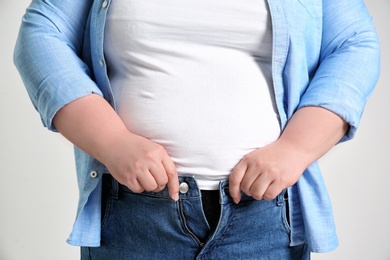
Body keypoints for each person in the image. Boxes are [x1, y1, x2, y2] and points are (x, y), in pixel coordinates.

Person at [14, 0, 380, 259]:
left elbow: (354, 43)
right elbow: (41, 33)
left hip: (263, 216)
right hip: (137, 217)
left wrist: (296, 149)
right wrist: (112, 141)